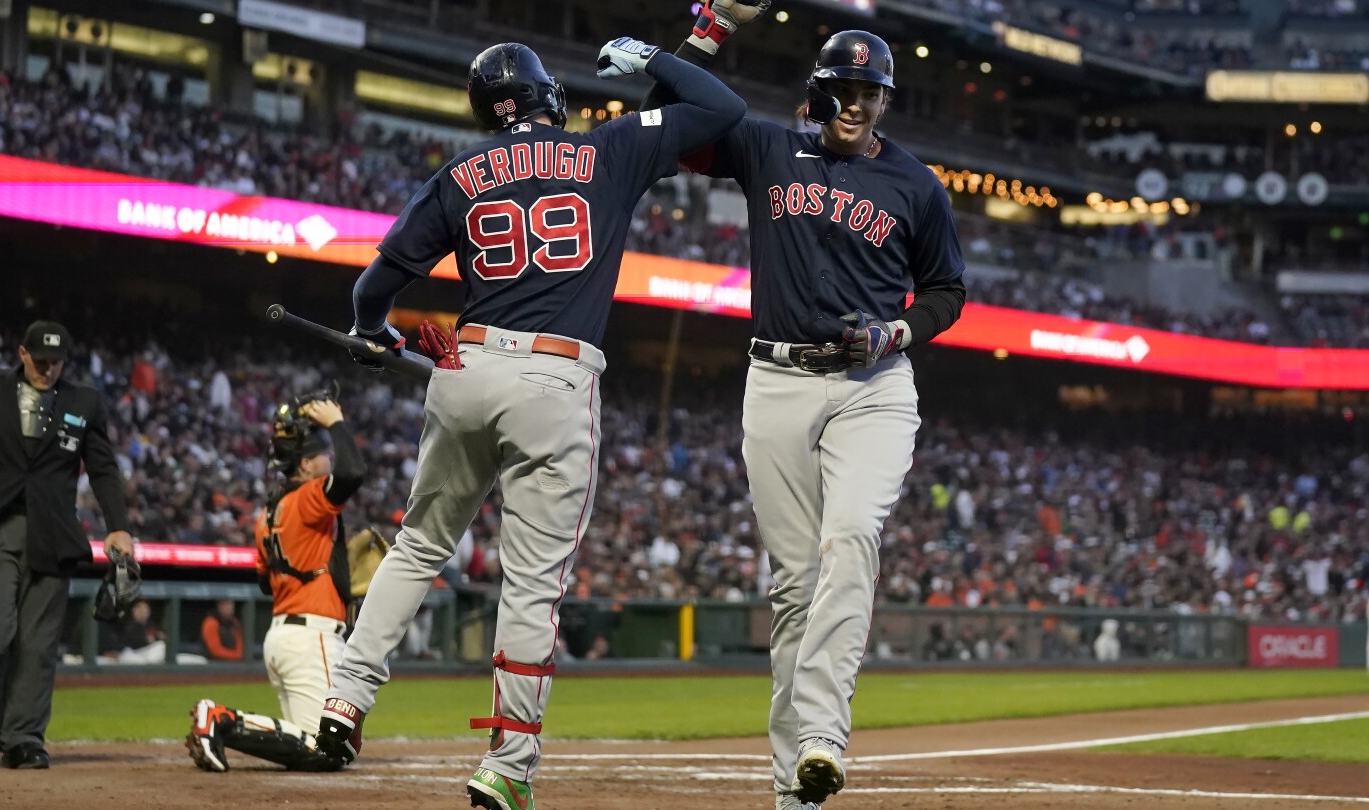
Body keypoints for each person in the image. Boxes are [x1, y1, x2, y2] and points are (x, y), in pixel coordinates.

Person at [314, 38, 745, 810]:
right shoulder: (607, 147)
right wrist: (655, 57)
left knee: (417, 544)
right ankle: (508, 765)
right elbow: (722, 109)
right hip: (555, 376)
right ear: (550, 94)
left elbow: (375, 283)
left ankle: (343, 700)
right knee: (531, 583)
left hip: (464, 366)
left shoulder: (460, 173)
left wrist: (375, 332)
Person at [643, 9, 967, 807]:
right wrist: (708, 28)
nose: (859, 105)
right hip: (778, 382)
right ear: (818, 93)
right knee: (792, 589)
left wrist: (898, 329)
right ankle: (795, 788)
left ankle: (823, 734)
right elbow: (674, 121)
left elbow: (947, 291)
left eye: (873, 93)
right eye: (846, 90)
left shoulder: (916, 186)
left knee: (852, 536)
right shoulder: (764, 146)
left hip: (873, 387)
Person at [0, 321, 134, 770]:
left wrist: (117, 525)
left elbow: (102, 468)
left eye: (57, 363)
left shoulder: (85, 401)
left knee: (38, 645)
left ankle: (23, 737)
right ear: (22, 353)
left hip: (53, 534)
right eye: (40, 361)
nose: (49, 370)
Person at [185, 392, 365, 772]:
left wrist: (327, 566)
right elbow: (352, 474)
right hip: (311, 635)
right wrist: (336, 423)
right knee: (327, 749)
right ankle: (220, 720)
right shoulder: (305, 498)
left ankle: (222, 722)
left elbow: (266, 583)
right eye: (323, 455)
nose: (329, 460)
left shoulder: (266, 514)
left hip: (284, 637)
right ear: (304, 463)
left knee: (324, 744)